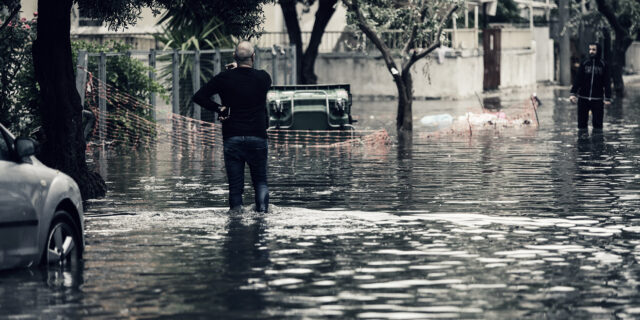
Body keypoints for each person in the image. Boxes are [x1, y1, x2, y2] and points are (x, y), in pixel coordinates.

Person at [192, 41, 272, 213]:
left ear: (234, 56)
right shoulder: (264, 77)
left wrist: (219, 108)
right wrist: (237, 70)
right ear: (253, 57)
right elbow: (247, 81)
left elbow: (198, 97)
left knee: (235, 186)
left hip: (232, 138)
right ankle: (263, 215)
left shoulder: (223, 78)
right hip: (258, 137)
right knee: (261, 182)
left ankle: (235, 220)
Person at [569, 42, 612, 130]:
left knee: (598, 126)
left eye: (593, 49)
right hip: (583, 99)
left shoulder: (604, 65)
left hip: (598, 100)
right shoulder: (584, 63)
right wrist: (573, 93)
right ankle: (582, 143)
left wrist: (607, 98)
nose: (591, 51)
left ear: (598, 50)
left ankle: (597, 143)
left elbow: (607, 82)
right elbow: (578, 79)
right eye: (590, 49)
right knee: (581, 126)